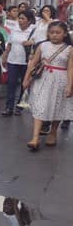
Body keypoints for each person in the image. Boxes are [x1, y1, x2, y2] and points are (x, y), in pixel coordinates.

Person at [23, 21, 73, 150]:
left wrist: (69, 85)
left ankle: (53, 132)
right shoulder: (42, 46)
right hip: (43, 79)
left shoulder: (69, 49)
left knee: (58, 106)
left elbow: (70, 68)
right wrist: (26, 78)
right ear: (48, 34)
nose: (54, 35)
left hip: (60, 80)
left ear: (65, 34)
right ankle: (35, 138)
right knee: (40, 105)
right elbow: (33, 63)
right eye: (52, 32)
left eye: (58, 32)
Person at [2, 11, 36, 117]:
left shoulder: (34, 30)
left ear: (29, 20)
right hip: (13, 60)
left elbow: (39, 44)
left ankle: (20, 107)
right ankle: (9, 107)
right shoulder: (14, 29)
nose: (20, 21)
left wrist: (31, 42)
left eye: (23, 19)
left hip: (26, 62)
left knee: (24, 85)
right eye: (19, 18)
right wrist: (5, 55)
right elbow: (9, 43)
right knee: (11, 83)